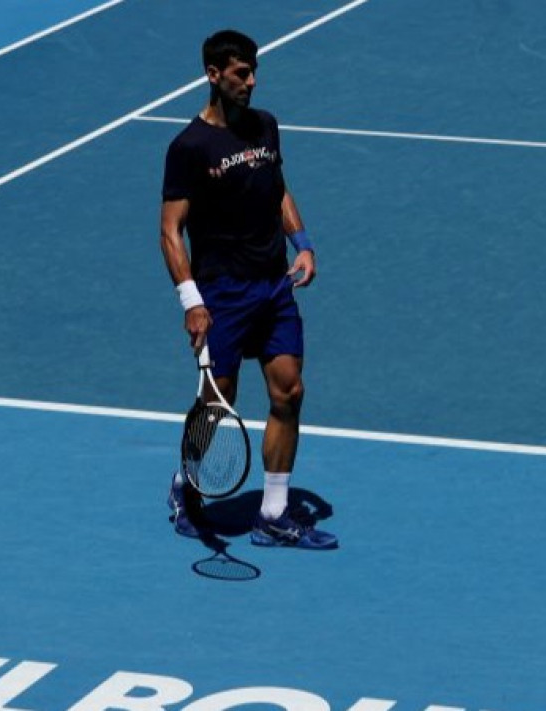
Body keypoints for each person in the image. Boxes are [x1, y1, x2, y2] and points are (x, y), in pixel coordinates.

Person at [159, 29, 337, 550]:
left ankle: (275, 514)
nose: (251, 81)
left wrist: (301, 242)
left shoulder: (265, 126)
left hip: (273, 284)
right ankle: (184, 489)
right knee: (220, 403)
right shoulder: (189, 147)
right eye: (241, 73)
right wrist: (192, 301)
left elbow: (277, 186)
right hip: (223, 292)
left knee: (290, 391)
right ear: (214, 75)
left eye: (254, 71)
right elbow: (170, 230)